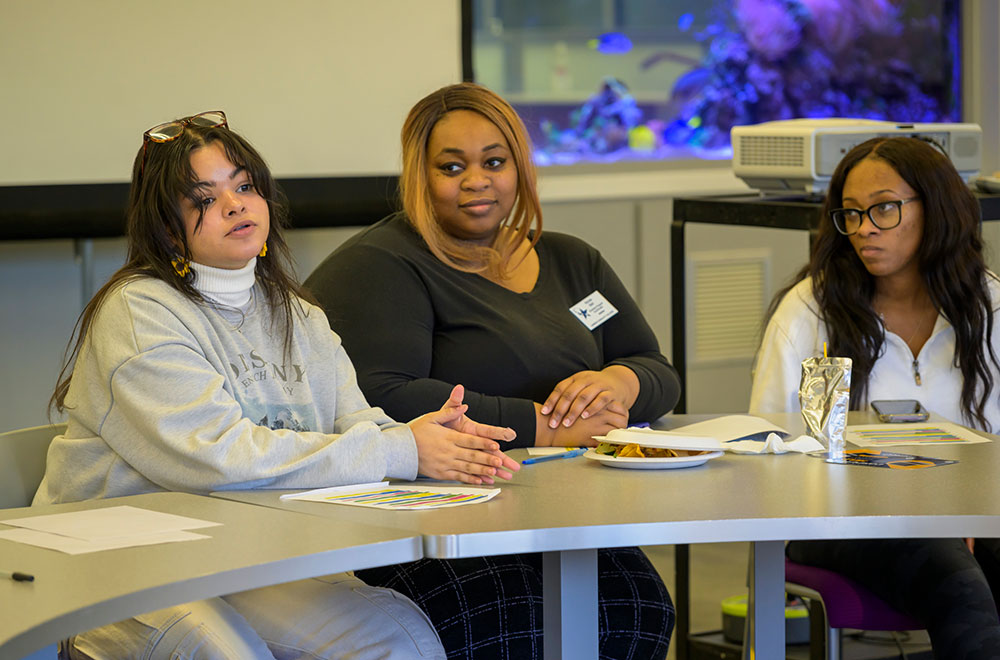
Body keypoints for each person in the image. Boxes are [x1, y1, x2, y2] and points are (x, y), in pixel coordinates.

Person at [36, 110, 521, 660]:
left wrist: (431, 440)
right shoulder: (140, 310)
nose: (235, 204)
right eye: (203, 199)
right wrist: (399, 449)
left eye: (244, 186)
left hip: (242, 555)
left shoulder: (298, 314)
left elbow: (356, 422)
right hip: (120, 562)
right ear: (168, 229)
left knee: (399, 640)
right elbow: (218, 458)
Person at [305, 83, 680, 660]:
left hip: (568, 507)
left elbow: (656, 370)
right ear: (419, 176)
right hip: (433, 518)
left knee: (639, 610)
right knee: (514, 629)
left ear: (519, 169)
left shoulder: (572, 260)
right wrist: (546, 425)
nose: (476, 180)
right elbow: (382, 396)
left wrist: (618, 383)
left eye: (495, 162)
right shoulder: (380, 264)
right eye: (451, 166)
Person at [750, 136, 1000, 658]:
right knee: (959, 589)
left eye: (884, 208)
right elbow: (769, 453)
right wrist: (940, 518)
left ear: (937, 207)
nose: (864, 228)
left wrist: (967, 514)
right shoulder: (809, 312)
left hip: (978, 513)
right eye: (852, 213)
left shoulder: (989, 308)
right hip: (839, 518)